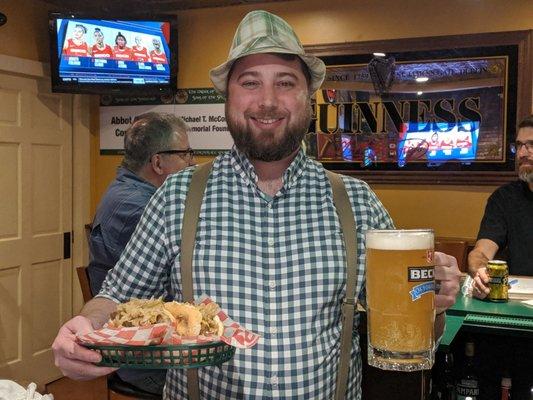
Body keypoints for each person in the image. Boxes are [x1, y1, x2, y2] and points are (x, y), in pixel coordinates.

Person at [52, 11, 460, 400]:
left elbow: (409, 323)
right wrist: (84, 329)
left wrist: (434, 304)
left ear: (309, 97)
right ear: (227, 97)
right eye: (249, 83)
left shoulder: (358, 201)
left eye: (285, 82)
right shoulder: (176, 196)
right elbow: (116, 298)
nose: (268, 101)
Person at [86, 112, 195, 394]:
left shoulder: (127, 192)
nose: (192, 162)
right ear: (158, 162)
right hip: (143, 360)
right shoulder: (139, 208)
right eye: (185, 154)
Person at [468, 115, 533, 298]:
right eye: (519, 145)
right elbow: (481, 252)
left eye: (530, 145)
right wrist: (480, 270)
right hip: (519, 298)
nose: (522, 153)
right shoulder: (504, 198)